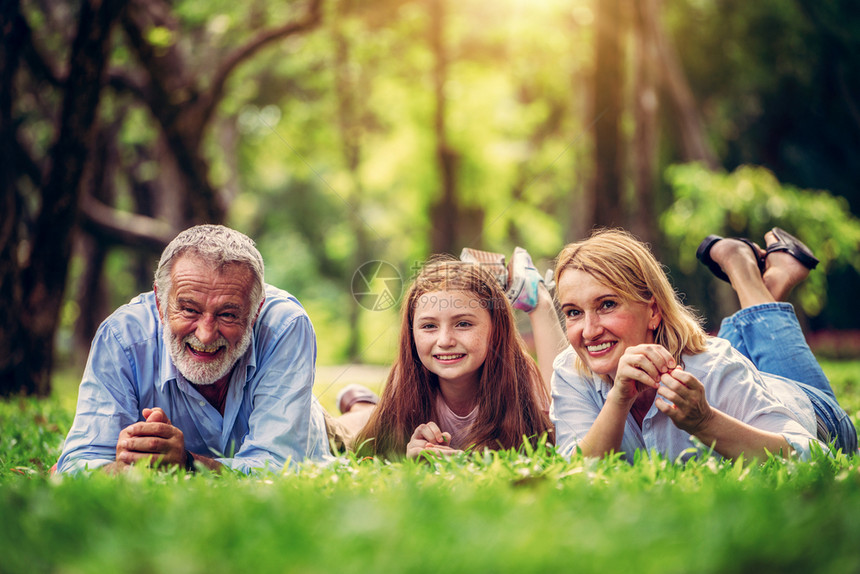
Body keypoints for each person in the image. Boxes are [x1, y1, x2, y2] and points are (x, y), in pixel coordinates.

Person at [550, 227, 857, 464]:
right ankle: (770, 279)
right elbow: (574, 473)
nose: (589, 331)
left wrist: (705, 421)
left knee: (715, 358)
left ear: (653, 311)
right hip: (740, 381)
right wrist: (618, 400)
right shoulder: (571, 371)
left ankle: (742, 267)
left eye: (607, 305)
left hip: (812, 411)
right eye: (574, 312)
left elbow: (817, 458)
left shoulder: (713, 365)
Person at [56, 225, 331, 474]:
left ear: (256, 311)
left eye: (227, 315)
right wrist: (128, 468)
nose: (206, 334)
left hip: (309, 425)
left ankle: (358, 405)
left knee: (352, 437)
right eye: (189, 310)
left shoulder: (285, 326)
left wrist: (187, 464)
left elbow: (278, 469)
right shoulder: (121, 338)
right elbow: (78, 464)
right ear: (161, 305)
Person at [354, 258, 555, 459]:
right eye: (429, 326)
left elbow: (561, 442)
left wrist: (464, 461)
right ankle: (358, 402)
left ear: (496, 329)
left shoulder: (521, 376)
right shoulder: (406, 379)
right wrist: (409, 452)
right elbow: (370, 454)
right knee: (350, 425)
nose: (445, 341)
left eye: (463, 324)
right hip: (360, 420)